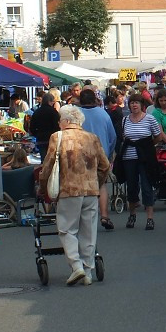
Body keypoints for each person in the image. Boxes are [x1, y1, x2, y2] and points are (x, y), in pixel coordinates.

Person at [39, 105, 111, 286]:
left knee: (67, 229)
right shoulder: (92, 138)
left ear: (66, 121)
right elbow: (105, 165)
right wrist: (97, 182)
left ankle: (76, 266)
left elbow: (47, 166)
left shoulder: (58, 137)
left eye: (60, 120)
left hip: (68, 190)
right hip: (90, 190)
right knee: (88, 232)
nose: (58, 123)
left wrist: (42, 186)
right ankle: (87, 271)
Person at [120, 96, 166, 230]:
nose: (134, 105)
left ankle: (150, 217)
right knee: (131, 186)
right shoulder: (125, 120)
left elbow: (158, 136)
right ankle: (132, 214)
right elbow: (124, 137)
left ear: (142, 105)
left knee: (147, 186)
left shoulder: (149, 119)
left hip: (145, 157)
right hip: (129, 157)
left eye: (137, 103)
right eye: (132, 103)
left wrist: (146, 146)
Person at [76, 89, 118, 231]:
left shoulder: (76, 114)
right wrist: (109, 153)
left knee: (82, 186)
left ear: (80, 100)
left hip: (80, 154)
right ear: (95, 99)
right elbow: (113, 137)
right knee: (101, 185)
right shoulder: (103, 114)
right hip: (101, 154)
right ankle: (105, 216)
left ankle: (83, 217)